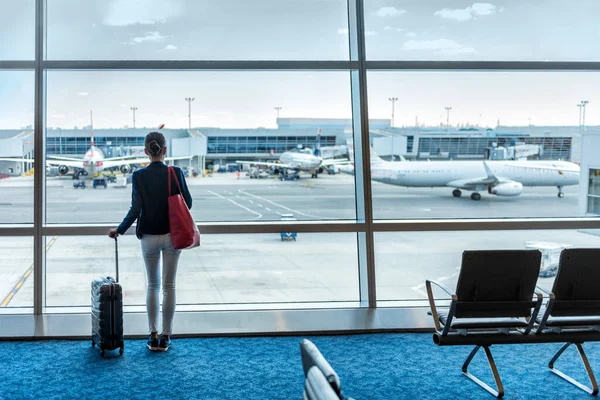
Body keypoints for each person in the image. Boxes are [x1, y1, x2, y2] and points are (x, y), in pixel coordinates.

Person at [108, 131, 192, 352]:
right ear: (165, 151)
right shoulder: (176, 173)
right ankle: (166, 336)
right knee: (169, 286)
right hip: (173, 236)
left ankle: (153, 335)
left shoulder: (139, 176)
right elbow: (188, 204)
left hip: (148, 237)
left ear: (146, 152)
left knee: (153, 285)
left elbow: (135, 209)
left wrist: (120, 229)